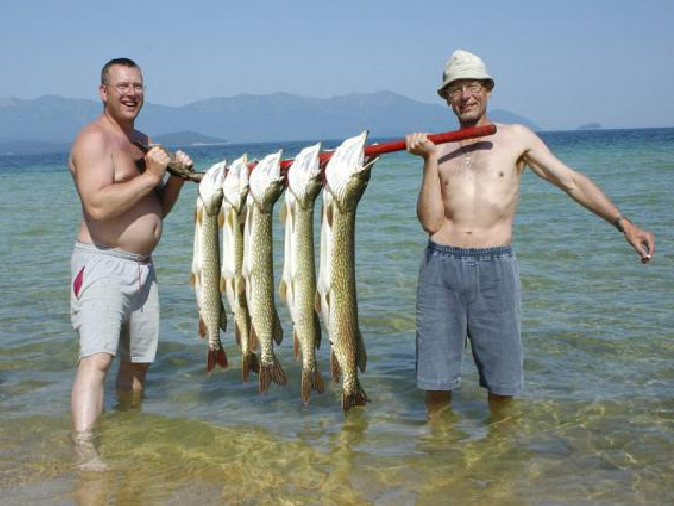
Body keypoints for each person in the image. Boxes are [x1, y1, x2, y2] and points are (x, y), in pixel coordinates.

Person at [405, 50, 655, 418]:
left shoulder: (516, 138)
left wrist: (623, 223)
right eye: (455, 89)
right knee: (436, 384)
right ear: (446, 98)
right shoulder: (438, 146)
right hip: (441, 266)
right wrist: (428, 159)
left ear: (488, 90)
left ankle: (503, 464)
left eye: (473, 85)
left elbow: (570, 181)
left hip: (495, 267)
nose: (465, 96)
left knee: (502, 385)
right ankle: (440, 461)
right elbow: (430, 223)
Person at [69, 57, 191, 469]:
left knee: (137, 366)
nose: (131, 93)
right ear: (103, 92)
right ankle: (85, 452)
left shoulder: (141, 141)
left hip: (143, 270)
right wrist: (151, 175)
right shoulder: (94, 140)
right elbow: (98, 206)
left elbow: (157, 209)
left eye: (137, 86)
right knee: (97, 358)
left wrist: (172, 179)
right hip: (103, 263)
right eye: (121, 86)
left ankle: (127, 434)